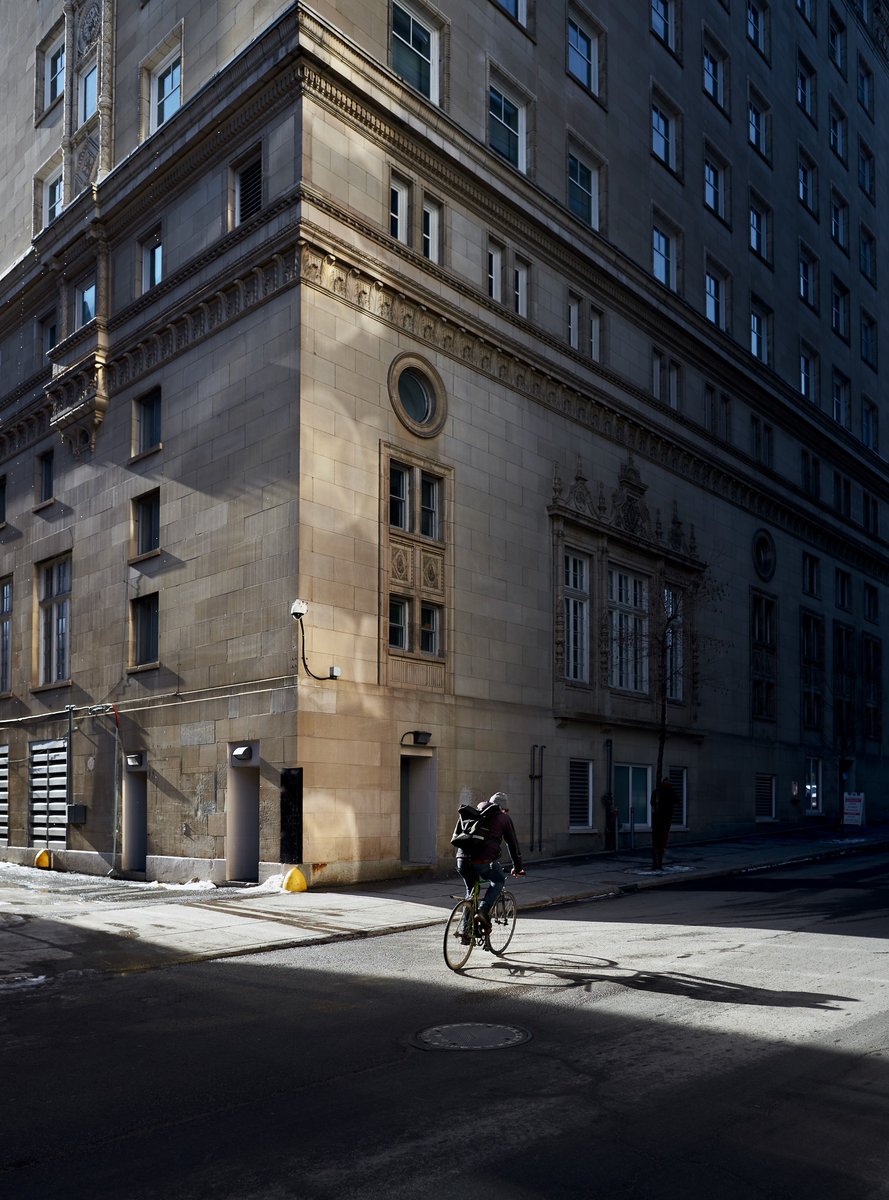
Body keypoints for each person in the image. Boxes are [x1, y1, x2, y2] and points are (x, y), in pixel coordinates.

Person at [455, 792, 524, 940]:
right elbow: (513, 845)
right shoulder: (503, 818)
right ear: (503, 808)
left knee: (471, 891)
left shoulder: (475, 813)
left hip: (461, 859)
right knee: (498, 880)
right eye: (506, 810)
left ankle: (466, 934)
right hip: (482, 860)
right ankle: (483, 911)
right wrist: (518, 868)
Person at [650, 777, 677, 870]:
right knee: (664, 833)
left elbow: (652, 802)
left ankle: (659, 850)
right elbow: (676, 800)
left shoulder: (657, 791)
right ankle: (662, 848)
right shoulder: (670, 791)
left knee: (658, 833)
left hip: (658, 815)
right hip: (666, 815)